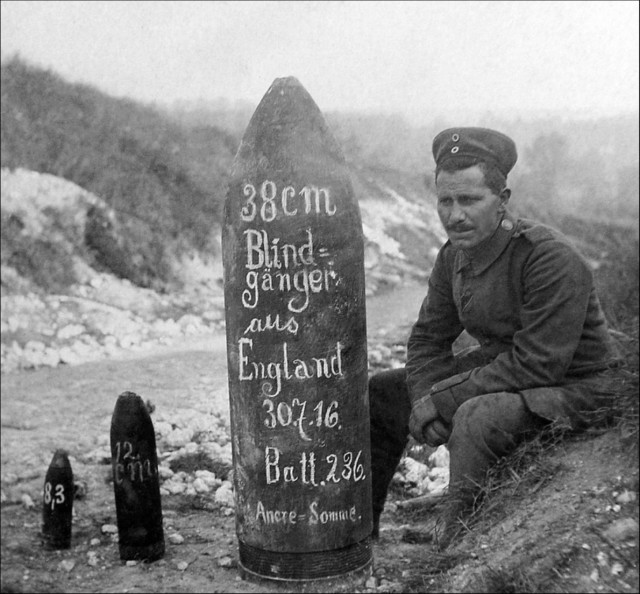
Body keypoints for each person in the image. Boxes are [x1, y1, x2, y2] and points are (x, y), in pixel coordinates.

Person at [369, 127, 620, 548]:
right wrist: (422, 401)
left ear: (502, 200)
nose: (454, 215)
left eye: (469, 200)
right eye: (445, 201)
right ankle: (359, 530)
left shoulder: (548, 257)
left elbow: (539, 363)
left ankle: (458, 546)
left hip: (578, 384)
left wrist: (445, 400)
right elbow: (429, 338)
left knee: (476, 416)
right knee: (382, 392)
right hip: (510, 370)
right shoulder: (453, 255)